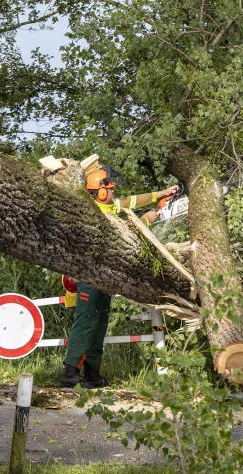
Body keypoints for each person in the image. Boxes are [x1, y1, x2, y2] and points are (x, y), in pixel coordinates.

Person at [60, 157, 179, 388]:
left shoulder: (109, 205)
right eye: (110, 189)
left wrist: (160, 194)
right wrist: (147, 219)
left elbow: (130, 201)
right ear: (101, 192)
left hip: (104, 276)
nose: (114, 193)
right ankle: (69, 373)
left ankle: (92, 374)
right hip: (88, 275)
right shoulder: (96, 213)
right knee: (86, 323)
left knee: (99, 324)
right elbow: (121, 232)